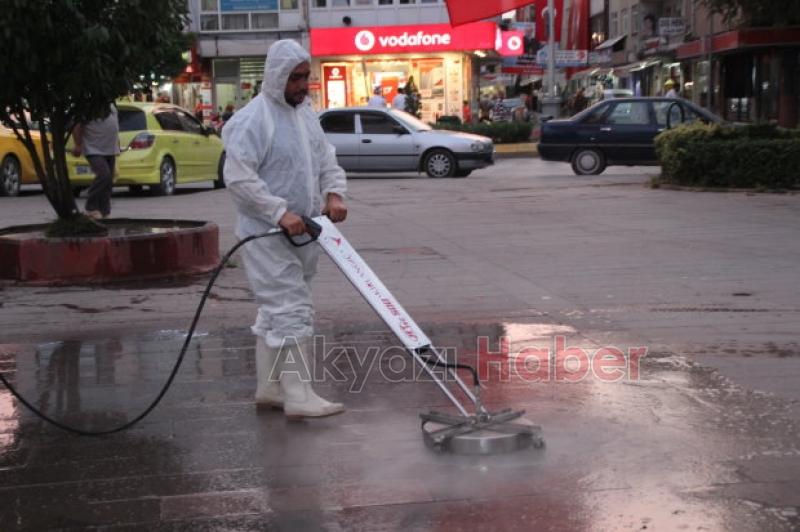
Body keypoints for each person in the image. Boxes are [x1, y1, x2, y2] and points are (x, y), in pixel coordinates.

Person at [221, 39, 348, 419]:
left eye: (305, 77)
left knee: (275, 311)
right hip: (267, 235)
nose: (301, 85)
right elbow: (239, 178)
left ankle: (271, 388)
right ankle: (299, 395)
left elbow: (325, 157)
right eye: (295, 78)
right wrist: (278, 213)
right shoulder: (252, 120)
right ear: (276, 77)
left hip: (304, 231)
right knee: (291, 309)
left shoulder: (306, 114)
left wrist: (335, 192)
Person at [71, 103, 120, 219]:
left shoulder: (111, 106)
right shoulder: (89, 106)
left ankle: (104, 211)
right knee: (104, 175)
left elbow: (114, 125)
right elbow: (78, 126)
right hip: (94, 148)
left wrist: (117, 145)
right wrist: (78, 144)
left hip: (110, 149)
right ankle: (91, 207)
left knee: (108, 180)